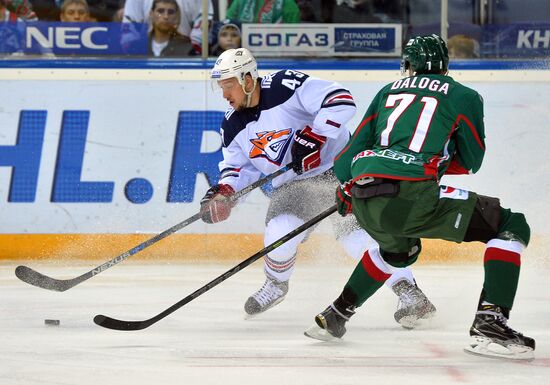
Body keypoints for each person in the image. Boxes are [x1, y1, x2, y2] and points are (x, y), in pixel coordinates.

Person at [304, 34, 535, 361]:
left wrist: (345, 188)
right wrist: (434, 161)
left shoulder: (387, 92)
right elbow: (472, 162)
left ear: (409, 65)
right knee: (511, 224)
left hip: (364, 195)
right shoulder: (463, 95)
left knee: (399, 251)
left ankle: (336, 316)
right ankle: (491, 322)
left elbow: (345, 159)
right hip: (412, 194)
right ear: (444, 65)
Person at [200, 47, 436, 327]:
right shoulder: (232, 124)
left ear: (248, 80)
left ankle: (409, 293)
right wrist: (225, 192)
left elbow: (342, 100)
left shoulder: (284, 85)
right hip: (293, 185)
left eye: (229, 86)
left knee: (357, 238)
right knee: (279, 233)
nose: (225, 95)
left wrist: (317, 135)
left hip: (339, 171)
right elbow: (237, 168)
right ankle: (276, 284)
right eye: (221, 87)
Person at [123, 0, 213, 53]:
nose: (165, 16)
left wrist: (192, 50)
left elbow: (204, 21)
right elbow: (130, 27)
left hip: (184, 52)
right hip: (146, 52)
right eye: (161, 11)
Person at [226, 0, 301, 23]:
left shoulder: (288, 4)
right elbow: (227, 25)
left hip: (275, 55)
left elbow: (293, 39)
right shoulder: (240, 1)